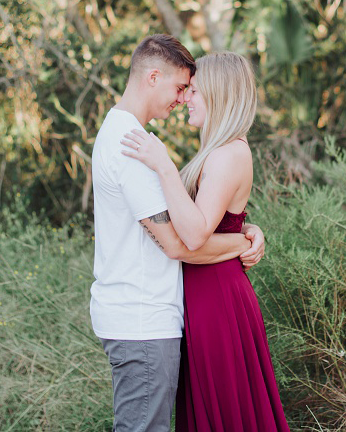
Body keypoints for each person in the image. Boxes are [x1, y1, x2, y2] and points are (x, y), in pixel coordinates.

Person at [90, 35, 266, 432]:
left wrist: (244, 228)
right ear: (153, 76)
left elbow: (197, 225)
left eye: (193, 90)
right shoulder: (131, 143)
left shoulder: (138, 139)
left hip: (192, 306)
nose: (184, 97)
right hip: (146, 316)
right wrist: (242, 241)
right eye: (182, 87)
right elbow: (179, 241)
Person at [121, 51, 290, 432]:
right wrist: (247, 232)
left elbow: (195, 235)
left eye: (193, 90)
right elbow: (217, 222)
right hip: (205, 295)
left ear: (218, 93)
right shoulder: (220, 152)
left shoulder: (228, 153)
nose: (184, 99)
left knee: (225, 413)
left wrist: (163, 164)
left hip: (217, 301)